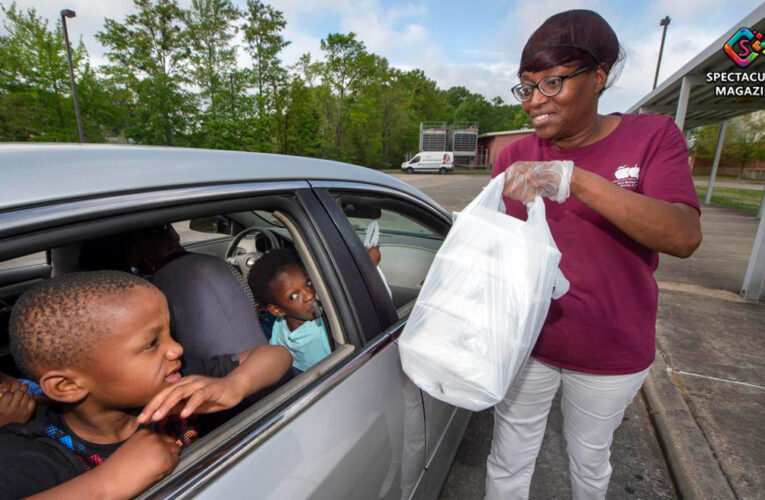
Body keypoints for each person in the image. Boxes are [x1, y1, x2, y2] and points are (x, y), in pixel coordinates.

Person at [485, 9, 702, 500]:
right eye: (527, 87)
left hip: (609, 349)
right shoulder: (513, 156)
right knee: (508, 456)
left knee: (588, 460)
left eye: (553, 83)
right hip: (528, 344)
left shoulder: (652, 137)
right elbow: (498, 246)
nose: (534, 103)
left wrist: (575, 179)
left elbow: (684, 236)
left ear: (598, 76)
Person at [0, 270, 292, 498]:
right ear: (67, 386)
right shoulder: (30, 456)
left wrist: (234, 385)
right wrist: (107, 484)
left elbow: (276, 355)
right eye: (152, 343)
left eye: (170, 332)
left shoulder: (182, 381)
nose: (176, 348)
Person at [248, 249, 331, 372]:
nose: (309, 295)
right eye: (293, 296)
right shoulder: (321, 330)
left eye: (308, 283)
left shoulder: (279, 325)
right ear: (277, 310)